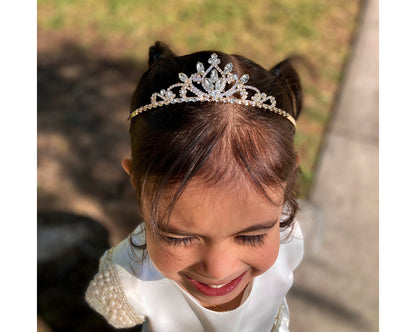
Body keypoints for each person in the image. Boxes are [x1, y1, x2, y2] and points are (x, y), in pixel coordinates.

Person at [85, 41, 304, 332]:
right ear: (137, 183)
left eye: (252, 237)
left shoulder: (288, 235)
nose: (218, 269)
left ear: (286, 183)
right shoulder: (129, 279)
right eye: (179, 238)